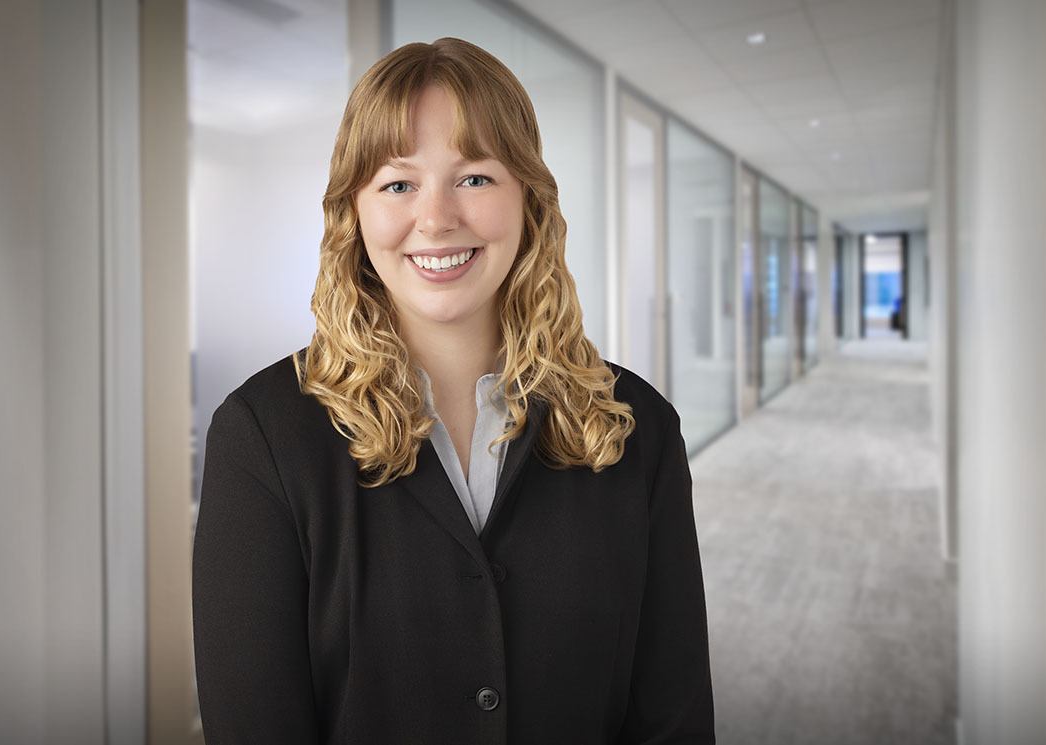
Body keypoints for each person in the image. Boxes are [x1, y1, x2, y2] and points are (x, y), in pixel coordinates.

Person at [191, 37, 714, 744]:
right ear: (356, 212)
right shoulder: (261, 437)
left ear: (528, 197)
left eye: (473, 178)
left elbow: (673, 717)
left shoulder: (638, 426)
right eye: (398, 184)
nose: (435, 219)